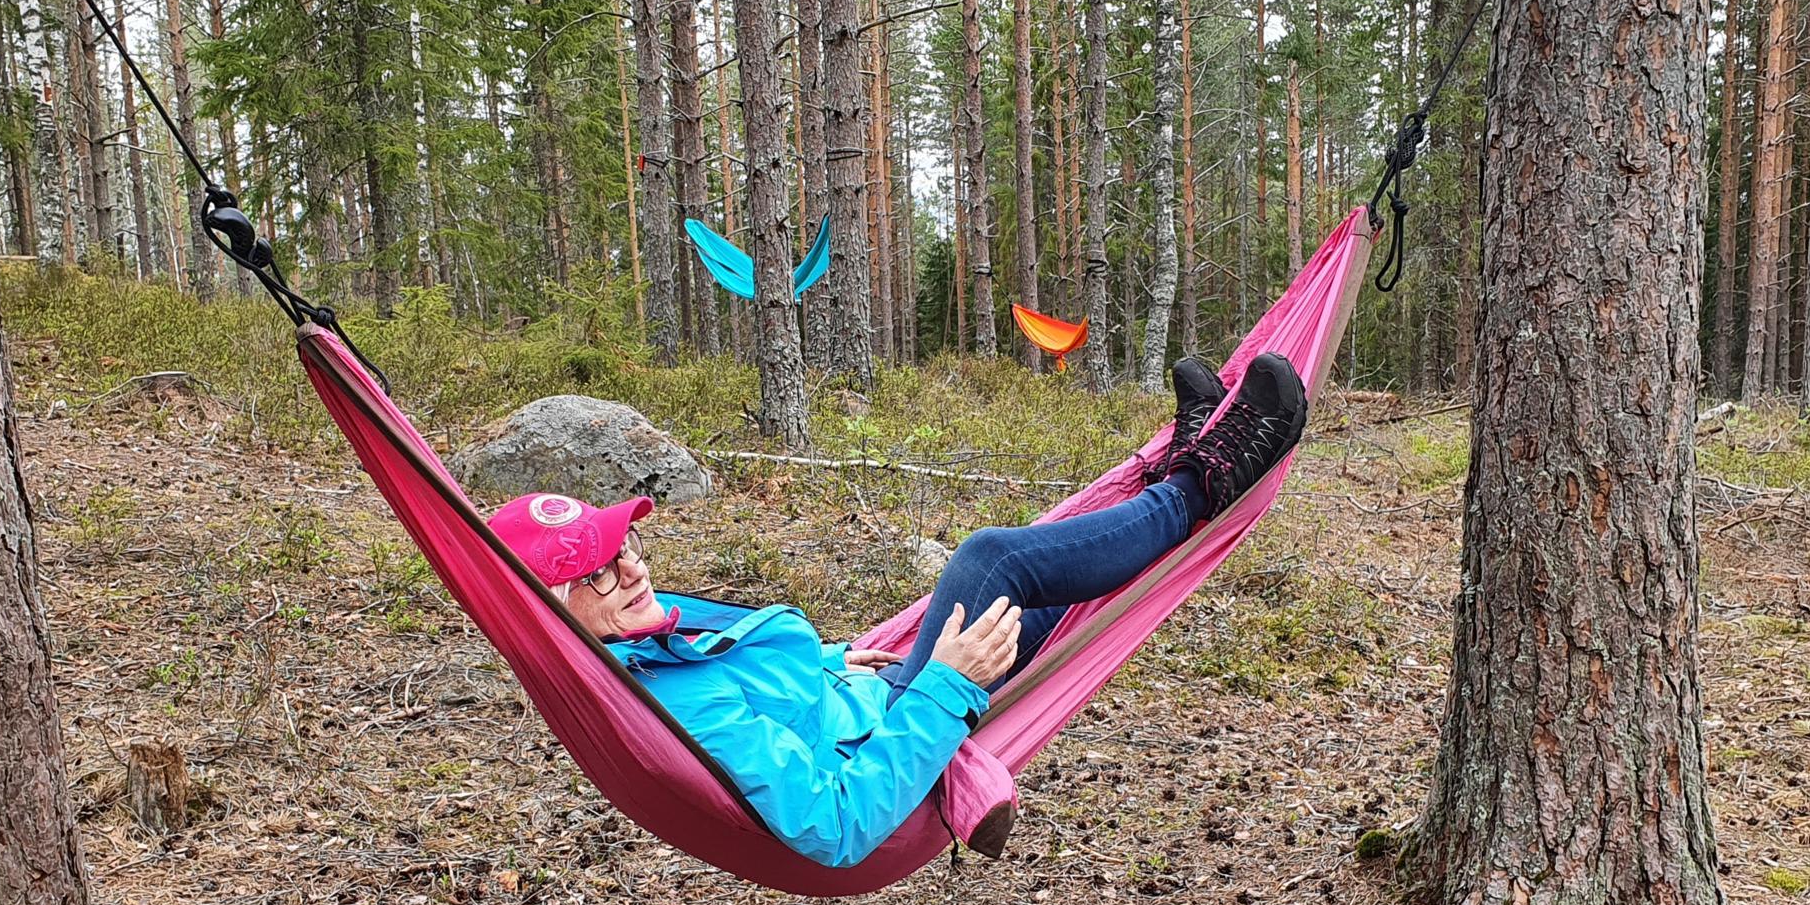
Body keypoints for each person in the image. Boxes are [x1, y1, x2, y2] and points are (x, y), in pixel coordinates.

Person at [488, 354, 1309, 869]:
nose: (633, 570)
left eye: (624, 546)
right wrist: (943, 684)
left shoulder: (641, 645)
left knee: (1073, 592)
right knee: (995, 563)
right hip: (907, 741)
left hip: (882, 698)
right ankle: (1203, 481)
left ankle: (1180, 466)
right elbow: (835, 823)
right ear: (554, 614)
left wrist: (829, 663)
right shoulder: (669, 708)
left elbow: (758, 688)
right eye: (598, 571)